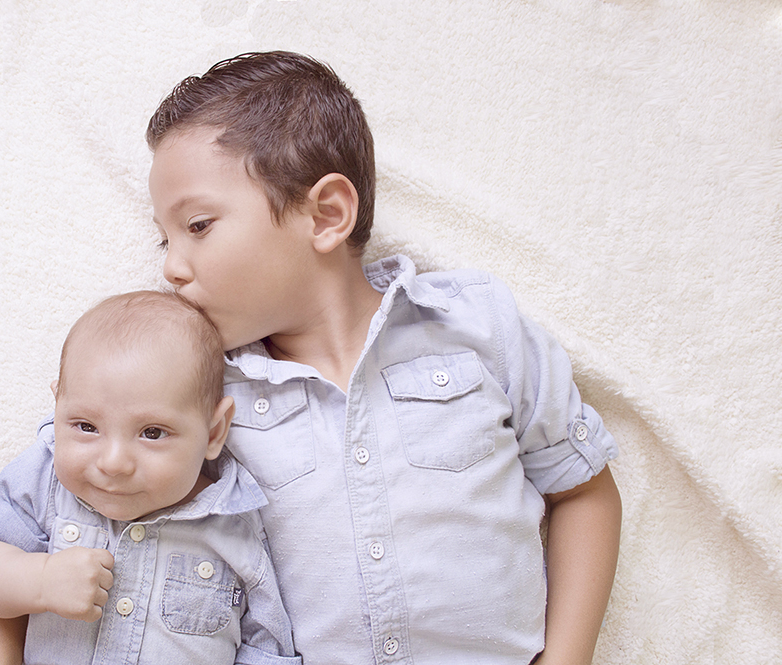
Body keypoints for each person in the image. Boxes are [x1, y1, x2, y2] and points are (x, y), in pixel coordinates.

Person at [146, 51, 623, 665]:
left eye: (199, 225)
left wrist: (567, 657)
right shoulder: (206, 389)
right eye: (166, 237)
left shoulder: (475, 326)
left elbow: (582, 489)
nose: (171, 267)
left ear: (326, 216)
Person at [0, 291, 301, 665]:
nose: (114, 462)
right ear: (57, 408)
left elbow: (266, 647)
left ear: (214, 432)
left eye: (152, 433)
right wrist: (39, 581)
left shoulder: (235, 527)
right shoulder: (47, 483)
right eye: (86, 426)